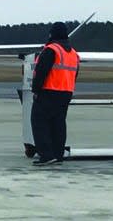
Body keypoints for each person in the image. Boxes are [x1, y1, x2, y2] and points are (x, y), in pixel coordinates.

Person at [31, 22, 79, 165]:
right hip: (66, 93)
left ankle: (46, 154)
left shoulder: (52, 50)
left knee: (39, 123)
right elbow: (75, 74)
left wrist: (36, 90)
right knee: (58, 124)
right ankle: (58, 154)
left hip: (49, 91)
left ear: (52, 34)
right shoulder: (74, 53)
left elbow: (41, 72)